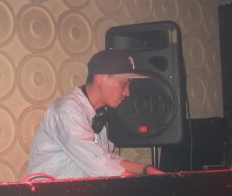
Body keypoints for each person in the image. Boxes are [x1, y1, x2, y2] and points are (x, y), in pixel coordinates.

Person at [28, 49, 164, 179]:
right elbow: (98, 165)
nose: (127, 92)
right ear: (101, 79)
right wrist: (142, 184)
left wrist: (146, 169)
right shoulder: (67, 110)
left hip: (74, 194)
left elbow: (105, 159)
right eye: (124, 83)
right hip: (48, 194)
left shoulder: (98, 116)